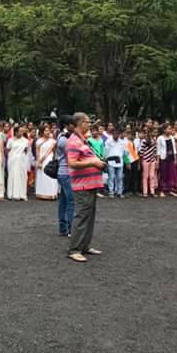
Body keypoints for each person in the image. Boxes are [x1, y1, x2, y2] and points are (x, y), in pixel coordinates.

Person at [65, 112, 105, 263]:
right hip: (82, 185)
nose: (90, 124)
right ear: (81, 123)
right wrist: (93, 162)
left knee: (89, 216)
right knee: (82, 216)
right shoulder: (74, 141)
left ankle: (84, 245)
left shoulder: (82, 139)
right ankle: (74, 249)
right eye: (88, 122)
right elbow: (72, 163)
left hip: (90, 183)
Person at [55, 116, 75, 236]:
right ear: (67, 125)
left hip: (63, 173)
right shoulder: (64, 139)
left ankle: (63, 228)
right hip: (66, 172)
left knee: (63, 201)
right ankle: (71, 228)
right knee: (71, 201)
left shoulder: (62, 137)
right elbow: (72, 154)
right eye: (72, 124)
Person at [35, 126, 58, 200]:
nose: (47, 132)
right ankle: (41, 193)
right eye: (45, 131)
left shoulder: (53, 141)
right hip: (41, 160)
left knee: (49, 177)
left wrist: (42, 160)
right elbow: (37, 152)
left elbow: (51, 151)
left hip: (49, 159)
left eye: (48, 130)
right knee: (42, 176)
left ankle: (51, 194)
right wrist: (39, 162)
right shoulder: (38, 141)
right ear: (42, 132)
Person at [6, 127, 29, 201]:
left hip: (21, 161)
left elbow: (26, 151)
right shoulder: (10, 140)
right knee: (12, 176)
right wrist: (13, 157)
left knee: (22, 176)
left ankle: (21, 194)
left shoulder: (25, 141)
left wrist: (21, 157)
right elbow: (8, 150)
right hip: (12, 161)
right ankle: (12, 194)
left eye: (22, 131)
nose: (21, 133)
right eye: (20, 131)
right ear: (16, 132)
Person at [157, 124, 177, 197]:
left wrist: (175, 159)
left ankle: (170, 190)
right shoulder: (160, 138)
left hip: (171, 158)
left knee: (170, 175)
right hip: (163, 158)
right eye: (169, 129)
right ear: (164, 130)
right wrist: (158, 161)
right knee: (163, 174)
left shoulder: (172, 137)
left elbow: (174, 149)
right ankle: (162, 190)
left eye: (170, 129)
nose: (170, 130)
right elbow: (158, 150)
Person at [104, 128, 127, 198]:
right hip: (111, 161)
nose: (115, 135)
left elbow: (125, 152)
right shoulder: (108, 141)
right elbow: (106, 151)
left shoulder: (122, 142)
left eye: (117, 134)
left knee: (120, 178)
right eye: (114, 134)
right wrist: (105, 160)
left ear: (119, 134)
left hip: (120, 161)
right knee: (111, 177)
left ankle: (119, 192)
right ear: (112, 134)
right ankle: (111, 192)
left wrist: (124, 159)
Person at [139, 130, 158, 197]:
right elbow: (141, 152)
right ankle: (145, 192)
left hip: (152, 160)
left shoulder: (154, 141)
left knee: (152, 176)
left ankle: (152, 191)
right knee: (145, 176)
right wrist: (141, 160)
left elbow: (155, 151)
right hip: (145, 160)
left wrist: (155, 160)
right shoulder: (144, 141)